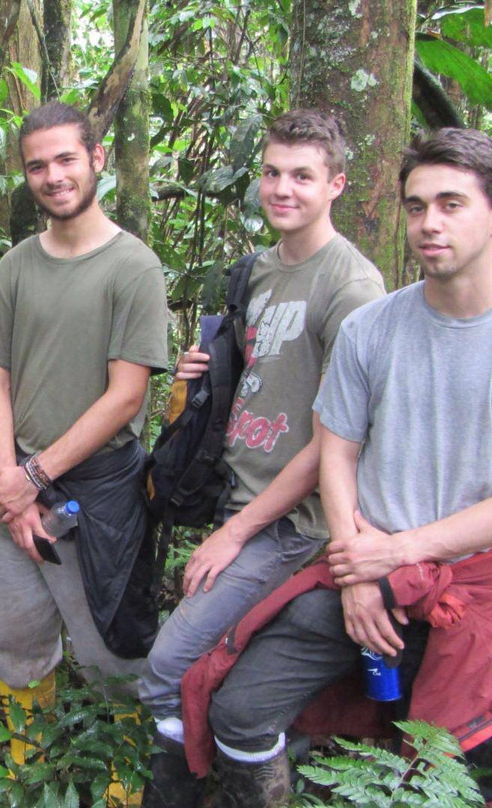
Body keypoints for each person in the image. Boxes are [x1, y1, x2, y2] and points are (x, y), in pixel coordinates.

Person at [184, 127, 492, 807]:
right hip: (362, 559)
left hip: (472, 580)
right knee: (239, 705)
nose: (428, 224)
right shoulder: (372, 328)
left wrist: (395, 553)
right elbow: (338, 450)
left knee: (451, 757)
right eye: (416, 207)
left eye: (451, 204)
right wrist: (357, 570)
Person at [137, 110, 386, 806]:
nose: (283, 188)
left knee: (166, 669)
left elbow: (334, 439)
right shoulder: (261, 272)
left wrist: (237, 532)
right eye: (273, 172)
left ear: (336, 183)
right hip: (241, 497)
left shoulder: (352, 287)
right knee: (213, 679)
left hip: (290, 523)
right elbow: (263, 371)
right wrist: (211, 365)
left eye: (303, 176)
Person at [0, 102, 168, 779]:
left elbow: (126, 396)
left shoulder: (134, 268)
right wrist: (10, 482)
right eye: (37, 165)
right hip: (17, 489)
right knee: (11, 637)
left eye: (65, 159)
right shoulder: (16, 267)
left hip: (97, 489)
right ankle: (28, 774)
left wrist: (33, 475)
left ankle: (126, 784)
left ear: (97, 159)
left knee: (113, 647)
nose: (53, 176)